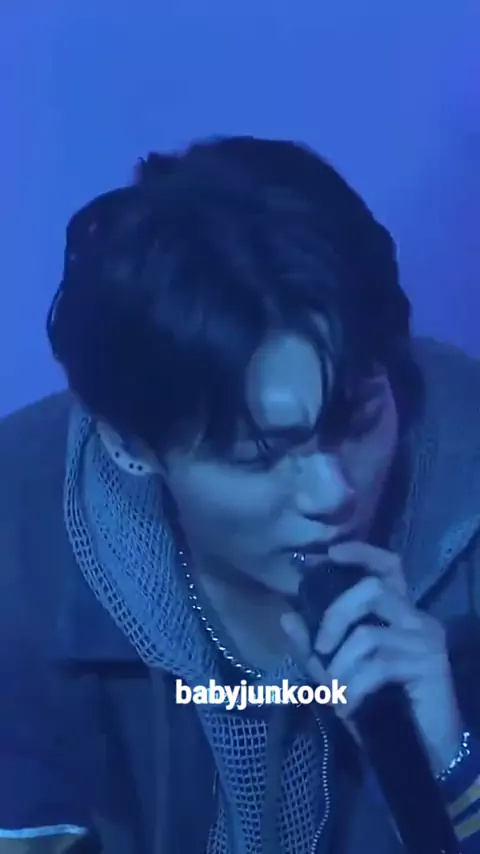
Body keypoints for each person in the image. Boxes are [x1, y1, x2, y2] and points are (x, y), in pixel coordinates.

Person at [1, 136, 480, 854]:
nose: (333, 492)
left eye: (357, 420)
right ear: (131, 444)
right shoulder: (17, 551)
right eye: (258, 456)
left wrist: (450, 770)